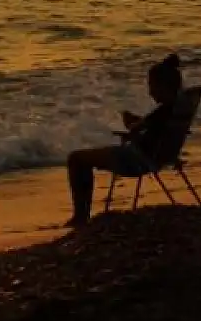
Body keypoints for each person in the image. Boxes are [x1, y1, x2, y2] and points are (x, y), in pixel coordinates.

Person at [66, 54, 184, 227]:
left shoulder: (163, 111)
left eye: (152, 86)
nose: (150, 91)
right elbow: (148, 127)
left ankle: (80, 216)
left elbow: (134, 128)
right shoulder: (177, 108)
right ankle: (81, 216)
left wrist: (128, 119)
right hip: (156, 157)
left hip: (136, 160)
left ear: (164, 86)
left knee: (76, 159)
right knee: (81, 158)